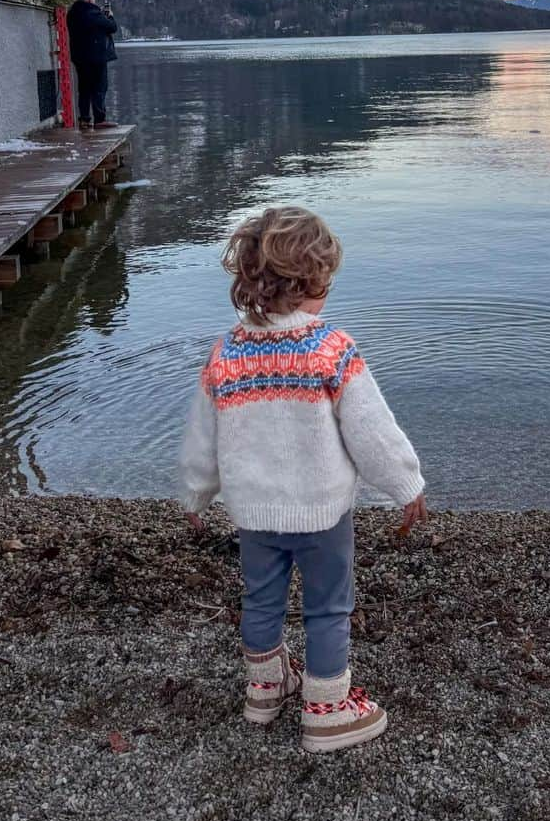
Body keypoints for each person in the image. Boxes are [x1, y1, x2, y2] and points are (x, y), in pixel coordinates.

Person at [178, 206, 426, 753]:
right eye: (326, 280)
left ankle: (265, 691)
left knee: (261, 600)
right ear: (313, 281)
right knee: (327, 607)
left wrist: (196, 492)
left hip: (255, 515)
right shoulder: (329, 348)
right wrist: (407, 484)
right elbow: (371, 432)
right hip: (323, 513)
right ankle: (327, 711)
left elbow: (203, 437)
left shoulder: (226, 352)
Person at [66, 0, 119, 130]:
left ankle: (84, 119)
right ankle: (99, 119)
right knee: (99, 88)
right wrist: (109, 16)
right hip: (96, 58)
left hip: (79, 58)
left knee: (84, 89)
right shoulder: (93, 13)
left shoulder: (72, 14)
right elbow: (112, 27)